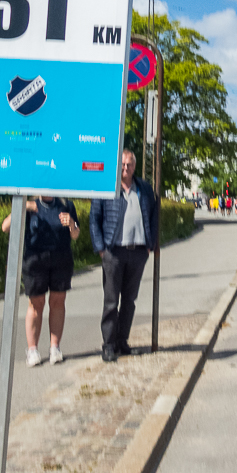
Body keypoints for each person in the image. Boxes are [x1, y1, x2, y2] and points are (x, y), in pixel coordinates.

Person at [89, 149, 160, 362]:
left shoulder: (144, 190)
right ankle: (108, 344)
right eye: (122, 164)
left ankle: (122, 341)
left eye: (129, 165)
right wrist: (101, 248)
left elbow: (154, 217)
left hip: (137, 252)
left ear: (134, 167)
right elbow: (94, 219)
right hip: (114, 252)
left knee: (129, 301)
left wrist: (150, 244)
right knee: (111, 301)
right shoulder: (107, 188)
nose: (125, 168)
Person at [2, 196, 80, 367]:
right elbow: (5, 227)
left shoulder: (66, 204)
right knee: (36, 303)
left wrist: (71, 223)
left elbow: (75, 235)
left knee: (58, 301)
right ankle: (32, 350)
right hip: (35, 260)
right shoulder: (29, 204)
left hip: (61, 258)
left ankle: (55, 348)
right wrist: (24, 207)